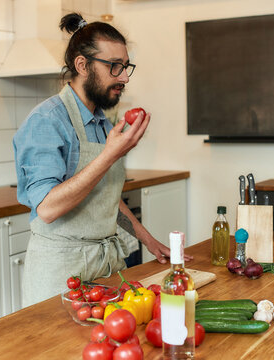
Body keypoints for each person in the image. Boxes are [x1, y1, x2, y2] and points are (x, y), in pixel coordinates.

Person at [13, 13, 190, 306]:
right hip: (61, 274)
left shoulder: (102, 123)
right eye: (114, 67)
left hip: (106, 268)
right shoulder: (47, 121)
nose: (124, 77)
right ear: (82, 65)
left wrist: (149, 241)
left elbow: (105, 197)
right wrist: (110, 155)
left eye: (125, 66)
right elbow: (47, 208)